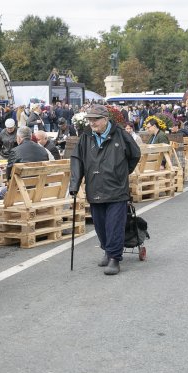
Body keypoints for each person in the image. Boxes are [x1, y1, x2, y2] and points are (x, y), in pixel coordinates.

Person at [69, 104, 140, 275]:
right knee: (100, 225)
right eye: (90, 119)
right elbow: (77, 159)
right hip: (95, 187)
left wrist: (122, 173)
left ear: (106, 119)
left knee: (114, 225)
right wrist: (74, 185)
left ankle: (115, 258)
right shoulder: (86, 137)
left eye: (95, 119)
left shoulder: (121, 135)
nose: (92, 123)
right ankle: (108, 251)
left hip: (116, 189)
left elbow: (135, 155)